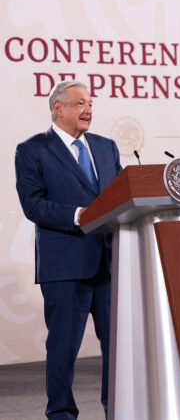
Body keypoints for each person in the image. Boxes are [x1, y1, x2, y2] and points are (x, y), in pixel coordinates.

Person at [15, 80, 122, 419]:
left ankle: (116, 409)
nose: (88, 109)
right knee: (62, 349)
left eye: (90, 103)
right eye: (79, 103)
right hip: (64, 267)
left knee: (117, 349)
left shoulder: (106, 148)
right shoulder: (33, 150)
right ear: (58, 108)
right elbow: (33, 205)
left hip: (108, 264)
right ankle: (61, 414)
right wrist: (78, 215)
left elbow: (120, 196)